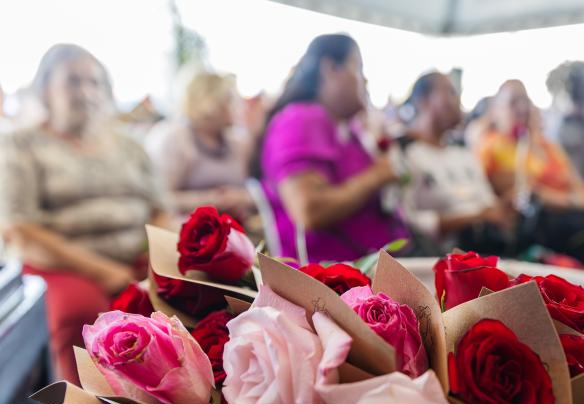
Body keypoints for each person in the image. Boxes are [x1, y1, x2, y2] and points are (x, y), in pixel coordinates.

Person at [0, 44, 170, 383]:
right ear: (46, 90)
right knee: (83, 311)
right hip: (60, 262)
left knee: (181, 297)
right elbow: (20, 229)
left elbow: (160, 211)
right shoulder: (21, 145)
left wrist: (161, 258)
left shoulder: (130, 146)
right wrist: (102, 269)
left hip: (131, 258)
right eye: (73, 82)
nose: (86, 93)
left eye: (95, 83)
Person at [252, 34, 408, 263]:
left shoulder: (344, 126)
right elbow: (309, 210)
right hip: (336, 274)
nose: (364, 80)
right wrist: (376, 176)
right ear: (330, 68)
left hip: (375, 263)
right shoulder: (303, 119)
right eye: (358, 68)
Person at [477, 80, 584, 274]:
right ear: (496, 110)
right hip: (540, 222)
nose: (522, 108)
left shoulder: (546, 145)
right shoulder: (492, 147)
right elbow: (530, 193)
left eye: (525, 101)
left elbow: (576, 182)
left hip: (572, 213)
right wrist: (581, 203)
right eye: (514, 102)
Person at [393, 72, 514, 255]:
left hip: (487, 245)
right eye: (450, 92)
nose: (457, 101)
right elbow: (407, 219)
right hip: (438, 256)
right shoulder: (403, 152)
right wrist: (472, 217)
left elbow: (488, 200)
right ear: (423, 101)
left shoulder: (462, 150)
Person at [145, 71, 254, 220]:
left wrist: (241, 198)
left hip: (234, 230)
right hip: (185, 233)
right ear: (211, 103)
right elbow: (158, 199)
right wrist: (211, 200)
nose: (237, 106)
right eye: (229, 100)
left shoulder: (237, 142)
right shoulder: (175, 139)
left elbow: (253, 189)